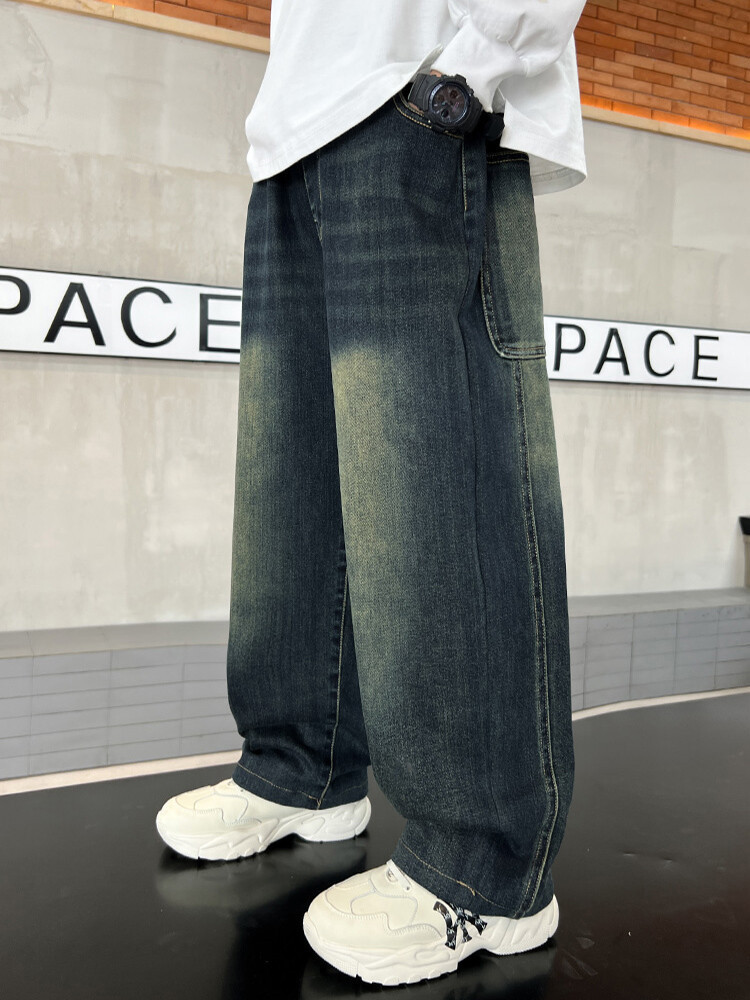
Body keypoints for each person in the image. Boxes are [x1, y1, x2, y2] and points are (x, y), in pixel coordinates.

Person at [156, 0, 588, 986]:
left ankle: (485, 871)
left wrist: (477, 64)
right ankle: (297, 767)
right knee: (291, 486)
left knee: (440, 484)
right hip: (293, 133)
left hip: (422, 101)